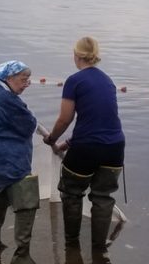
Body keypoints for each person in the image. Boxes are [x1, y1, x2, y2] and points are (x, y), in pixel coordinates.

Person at [44, 37, 126, 250]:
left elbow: (65, 118)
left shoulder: (74, 81)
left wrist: (52, 139)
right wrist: (68, 143)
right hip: (115, 147)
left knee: (71, 193)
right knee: (102, 196)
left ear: (76, 55)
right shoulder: (108, 80)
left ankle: (72, 246)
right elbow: (100, 119)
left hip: (87, 148)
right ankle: (99, 249)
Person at [0, 60, 39, 260]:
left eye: (28, 79)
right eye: (23, 79)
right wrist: (27, 111)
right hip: (9, 161)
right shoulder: (7, 99)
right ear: (9, 78)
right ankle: (22, 255)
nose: (27, 83)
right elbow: (29, 125)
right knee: (26, 203)